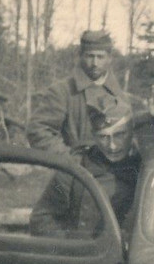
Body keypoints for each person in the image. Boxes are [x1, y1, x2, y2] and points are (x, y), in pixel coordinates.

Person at [29, 97, 141, 238]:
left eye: (119, 134)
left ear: (132, 132)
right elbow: (41, 219)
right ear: (94, 136)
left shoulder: (146, 167)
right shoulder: (75, 170)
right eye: (103, 137)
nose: (112, 146)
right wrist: (75, 245)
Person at [27, 29, 125, 157]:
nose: (95, 63)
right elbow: (38, 130)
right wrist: (70, 160)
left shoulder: (120, 97)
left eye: (100, 57)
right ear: (81, 56)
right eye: (90, 56)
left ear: (109, 58)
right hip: (74, 173)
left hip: (112, 173)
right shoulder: (62, 91)